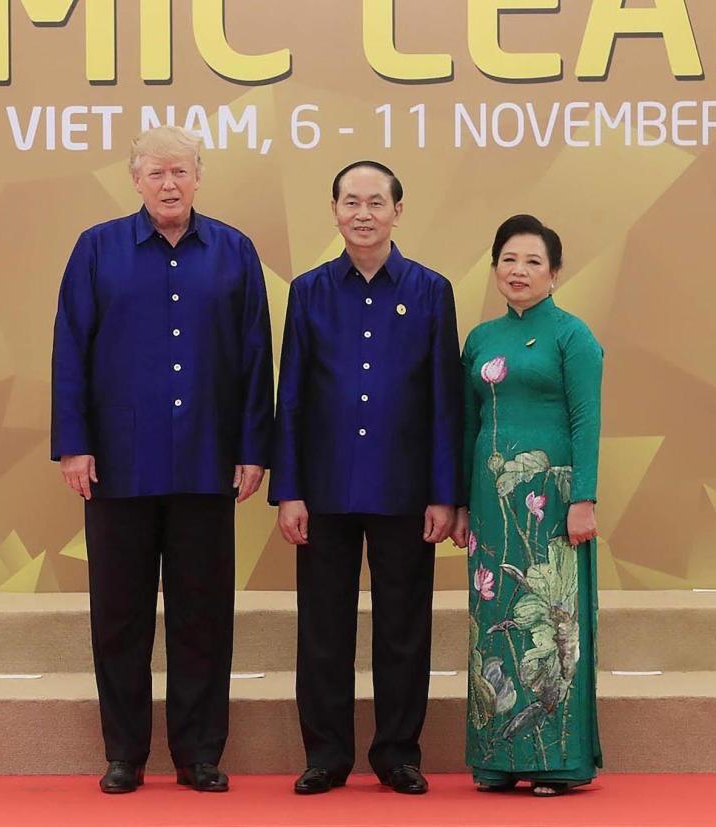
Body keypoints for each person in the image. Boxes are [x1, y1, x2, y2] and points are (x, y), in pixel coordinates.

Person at [50, 126, 273, 794]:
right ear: (135, 179)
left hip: (207, 464)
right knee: (118, 615)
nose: (168, 184)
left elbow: (257, 356)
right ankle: (125, 752)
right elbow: (70, 346)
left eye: (179, 171)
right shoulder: (97, 249)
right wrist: (74, 442)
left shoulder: (234, 251)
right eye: (155, 173)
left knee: (202, 615)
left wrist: (253, 449)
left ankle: (199, 752)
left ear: (199, 175)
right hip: (118, 466)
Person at [270, 160, 463, 796]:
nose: (363, 212)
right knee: (323, 629)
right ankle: (325, 755)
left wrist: (444, 492)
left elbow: (444, 400)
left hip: (406, 491)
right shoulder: (309, 290)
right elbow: (291, 395)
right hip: (323, 490)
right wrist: (289, 489)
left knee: (404, 628)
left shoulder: (432, 291)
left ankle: (398, 754)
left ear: (397, 212)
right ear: (334, 211)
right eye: (350, 201)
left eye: (375, 201)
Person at [451, 214, 604, 795]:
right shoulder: (480, 340)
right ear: (494, 268)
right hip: (492, 502)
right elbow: (469, 425)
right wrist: (464, 503)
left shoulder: (573, 336)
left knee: (552, 618)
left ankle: (557, 760)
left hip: (554, 499)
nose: (519, 272)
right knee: (496, 619)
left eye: (533, 262)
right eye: (509, 260)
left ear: (555, 273)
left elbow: (587, 420)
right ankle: (495, 755)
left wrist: (584, 497)